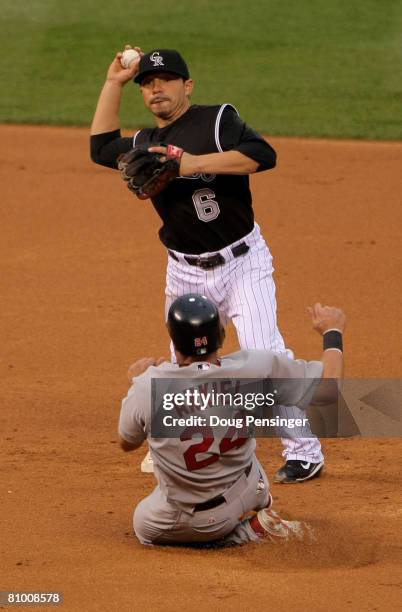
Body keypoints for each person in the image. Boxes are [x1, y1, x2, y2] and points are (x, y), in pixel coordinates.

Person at [92, 46, 324, 482]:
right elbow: (101, 147)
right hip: (183, 271)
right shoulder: (144, 143)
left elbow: (263, 154)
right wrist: (113, 84)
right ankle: (175, 451)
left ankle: (305, 451)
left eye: (164, 80)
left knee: (266, 355)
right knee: (184, 367)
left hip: (243, 263)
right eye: (146, 83)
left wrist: (188, 164)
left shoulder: (217, 121)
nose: (155, 88)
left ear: (187, 85)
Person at [118, 295, 345, 546]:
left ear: (175, 343)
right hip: (252, 485)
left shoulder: (149, 387)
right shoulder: (257, 366)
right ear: (222, 336)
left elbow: (127, 443)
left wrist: (136, 383)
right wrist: (332, 331)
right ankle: (258, 502)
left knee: (144, 523)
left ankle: (246, 533)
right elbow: (328, 390)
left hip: (203, 520)